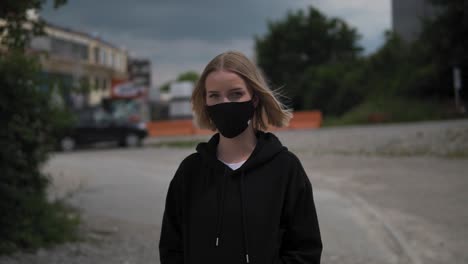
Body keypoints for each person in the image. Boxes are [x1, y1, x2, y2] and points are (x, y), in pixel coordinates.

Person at [159, 51, 322, 264]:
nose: (224, 103)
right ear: (205, 101)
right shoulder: (189, 171)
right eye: (214, 95)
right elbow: (172, 248)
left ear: (254, 98)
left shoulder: (285, 168)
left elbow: (305, 251)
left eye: (235, 94)